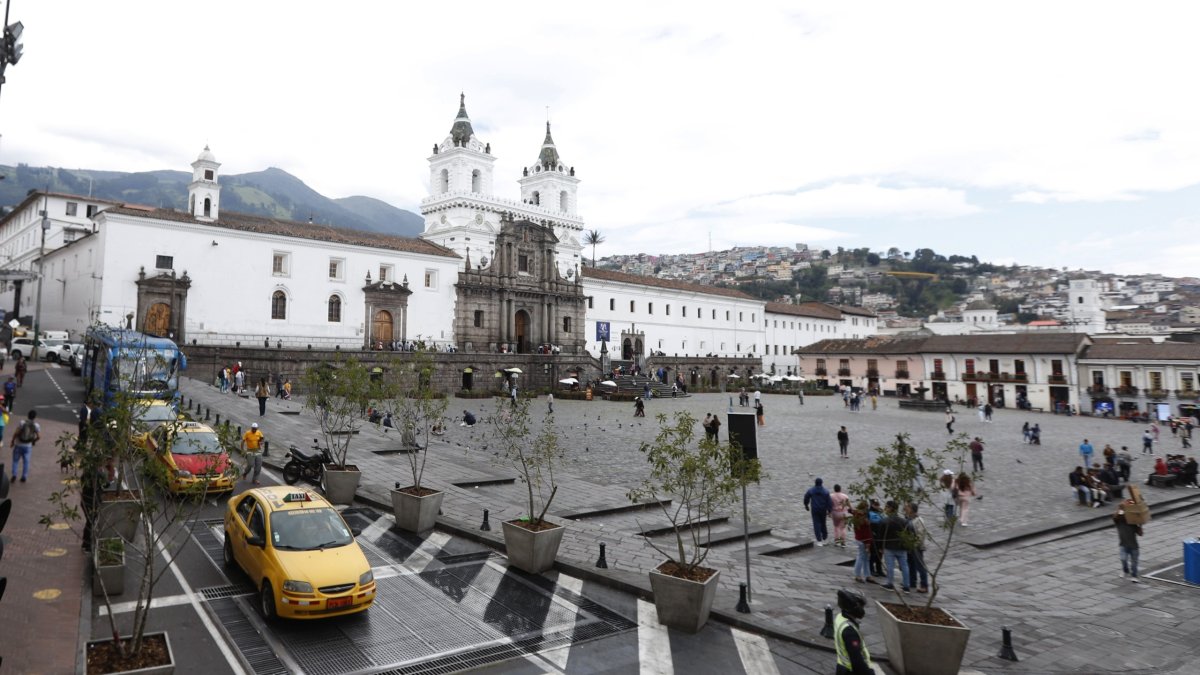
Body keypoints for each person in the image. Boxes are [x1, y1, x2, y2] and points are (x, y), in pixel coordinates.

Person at [834, 588, 876, 674]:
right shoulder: (850, 632)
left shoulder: (840, 617)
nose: (863, 609)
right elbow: (857, 662)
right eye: (861, 606)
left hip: (841, 667)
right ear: (853, 606)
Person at [879, 500, 911, 592]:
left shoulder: (885, 521)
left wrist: (880, 547)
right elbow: (909, 533)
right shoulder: (904, 521)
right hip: (901, 547)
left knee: (890, 566)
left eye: (887, 507)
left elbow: (881, 535)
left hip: (889, 547)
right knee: (904, 566)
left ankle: (890, 584)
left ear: (890, 508)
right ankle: (906, 586)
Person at [1113, 506, 1143, 582]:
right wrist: (1121, 509)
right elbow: (1115, 516)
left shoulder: (1133, 524)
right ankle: (1125, 570)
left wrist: (1140, 525)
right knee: (1123, 559)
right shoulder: (1119, 523)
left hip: (1134, 546)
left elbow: (1140, 533)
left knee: (1134, 563)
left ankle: (1134, 576)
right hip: (1123, 545)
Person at [10, 409, 40, 483]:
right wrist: (33, 441)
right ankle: (24, 476)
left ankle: (14, 474)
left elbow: (16, 433)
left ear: (28, 415)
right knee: (26, 462)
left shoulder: (22, 423)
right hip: (28, 446)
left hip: (18, 444)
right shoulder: (36, 425)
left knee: (15, 461)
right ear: (34, 417)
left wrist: (12, 441)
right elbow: (39, 437)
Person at [905, 502, 930, 593]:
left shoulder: (919, 520)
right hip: (909, 546)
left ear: (912, 510)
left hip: (916, 547)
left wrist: (915, 545)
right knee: (910, 564)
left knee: (920, 566)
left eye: (908, 507)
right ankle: (912, 581)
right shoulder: (908, 519)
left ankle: (924, 585)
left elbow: (920, 534)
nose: (906, 509)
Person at [803, 477, 832, 546]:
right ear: (821, 483)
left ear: (815, 483)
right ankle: (825, 538)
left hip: (815, 509)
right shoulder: (826, 491)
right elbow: (829, 502)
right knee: (823, 524)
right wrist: (829, 511)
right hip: (823, 510)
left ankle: (819, 541)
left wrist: (806, 505)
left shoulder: (811, 490)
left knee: (816, 524)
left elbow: (806, 497)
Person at [852, 500, 873, 583]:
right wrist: (868, 544)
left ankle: (866, 574)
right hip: (864, 539)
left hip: (859, 538)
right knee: (863, 557)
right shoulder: (864, 519)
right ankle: (859, 574)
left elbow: (850, 510)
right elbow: (866, 531)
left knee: (864, 557)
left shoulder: (856, 514)